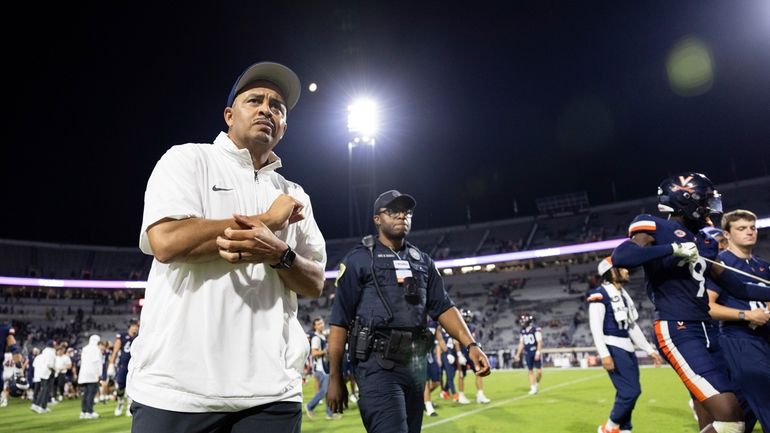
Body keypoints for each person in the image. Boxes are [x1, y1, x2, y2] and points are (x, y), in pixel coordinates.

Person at [127, 61, 326, 433]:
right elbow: (166, 241)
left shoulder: (295, 194)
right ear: (229, 115)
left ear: (284, 126)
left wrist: (279, 254)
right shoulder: (187, 159)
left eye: (278, 107)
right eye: (256, 100)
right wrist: (266, 221)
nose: (268, 109)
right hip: (177, 391)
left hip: (272, 394)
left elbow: (315, 281)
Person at [611, 172, 770, 433]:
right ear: (687, 200)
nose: (709, 207)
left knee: (721, 416)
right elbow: (623, 256)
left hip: (708, 332)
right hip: (679, 329)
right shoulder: (653, 225)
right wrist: (671, 249)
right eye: (705, 200)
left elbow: (738, 286)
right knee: (731, 419)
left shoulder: (705, 241)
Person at [326, 190, 491, 433]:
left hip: (415, 366)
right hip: (376, 367)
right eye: (392, 210)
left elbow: (443, 307)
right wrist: (335, 378)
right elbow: (339, 321)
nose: (401, 215)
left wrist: (471, 344)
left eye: (406, 211)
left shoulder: (422, 261)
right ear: (377, 219)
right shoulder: (359, 260)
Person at [705, 210, 770, 431]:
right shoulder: (720, 264)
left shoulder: (763, 266)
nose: (749, 232)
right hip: (739, 339)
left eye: (752, 227)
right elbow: (707, 306)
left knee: (739, 415)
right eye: (741, 228)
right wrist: (746, 315)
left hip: (764, 338)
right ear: (727, 234)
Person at [588, 257, 663, 433]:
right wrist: (604, 354)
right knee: (631, 391)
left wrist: (649, 349)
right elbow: (595, 327)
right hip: (612, 346)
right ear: (611, 272)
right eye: (622, 268)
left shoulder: (623, 295)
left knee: (627, 391)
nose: (627, 271)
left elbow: (632, 326)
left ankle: (625, 428)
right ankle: (609, 427)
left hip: (626, 347)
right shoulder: (600, 294)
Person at [304, 317, 339, 420]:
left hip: (324, 367)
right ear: (315, 326)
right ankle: (310, 406)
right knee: (325, 390)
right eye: (318, 324)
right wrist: (325, 351)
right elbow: (314, 353)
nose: (321, 325)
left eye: (322, 323)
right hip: (320, 368)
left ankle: (329, 414)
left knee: (328, 391)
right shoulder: (316, 338)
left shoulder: (322, 336)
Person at [455, 309, 491, 404]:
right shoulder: (458, 327)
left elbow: (475, 340)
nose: (467, 319)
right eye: (465, 317)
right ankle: (461, 395)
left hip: (471, 353)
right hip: (463, 353)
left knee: (479, 372)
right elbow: (456, 341)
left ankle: (480, 395)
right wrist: (459, 354)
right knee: (461, 375)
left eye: (468, 317)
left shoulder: (473, 327)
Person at [109, 318, 139, 416]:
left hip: (134, 366)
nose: (135, 328)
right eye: (134, 326)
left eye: (137, 326)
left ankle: (129, 406)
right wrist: (111, 364)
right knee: (121, 385)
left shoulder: (139, 337)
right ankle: (120, 402)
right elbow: (115, 351)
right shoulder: (122, 336)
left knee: (133, 386)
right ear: (130, 326)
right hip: (123, 365)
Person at [513, 313, 542, 395]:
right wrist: (518, 354)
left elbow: (539, 342)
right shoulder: (522, 331)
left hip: (535, 351)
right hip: (528, 353)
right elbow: (521, 343)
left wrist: (538, 352)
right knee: (530, 371)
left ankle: (536, 383)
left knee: (539, 372)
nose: (522, 322)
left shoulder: (535, 329)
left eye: (523, 321)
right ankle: (533, 387)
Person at [78, 334, 103, 420]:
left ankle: (83, 412)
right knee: (91, 393)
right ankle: (89, 411)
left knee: (85, 393)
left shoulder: (85, 349)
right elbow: (97, 362)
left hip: (83, 374)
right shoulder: (96, 349)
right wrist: (99, 374)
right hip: (92, 374)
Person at [30, 340, 56, 414]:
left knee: (43, 389)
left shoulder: (45, 351)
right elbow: (50, 364)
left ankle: (39, 405)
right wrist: (55, 369)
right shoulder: (51, 352)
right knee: (46, 390)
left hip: (42, 373)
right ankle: (41, 406)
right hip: (49, 372)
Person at [0, 321, 20, 408]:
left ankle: (3, 400)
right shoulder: (9, 354)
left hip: (4, 372)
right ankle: (4, 401)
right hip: (9, 373)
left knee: (3, 388)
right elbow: (15, 350)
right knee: (5, 388)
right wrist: (19, 373)